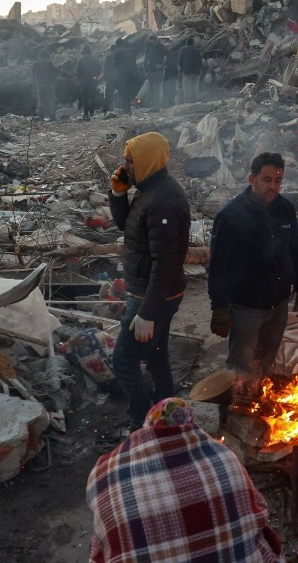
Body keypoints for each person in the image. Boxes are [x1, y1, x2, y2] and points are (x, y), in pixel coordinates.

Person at [86, 398, 283, 563]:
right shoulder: (225, 458)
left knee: (100, 538)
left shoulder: (104, 471)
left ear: (148, 429)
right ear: (190, 426)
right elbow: (259, 511)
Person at [208, 152, 298, 399]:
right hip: (247, 306)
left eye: (278, 180)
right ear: (252, 178)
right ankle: (232, 417)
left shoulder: (285, 209)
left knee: (266, 360)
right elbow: (217, 266)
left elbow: (295, 249)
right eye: (267, 179)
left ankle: (258, 407)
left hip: (279, 302)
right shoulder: (230, 216)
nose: (273, 186)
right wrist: (219, 308)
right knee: (241, 367)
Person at [108, 132, 190, 431]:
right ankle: (167, 412)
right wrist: (118, 195)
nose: (125, 166)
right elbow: (128, 227)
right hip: (153, 293)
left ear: (147, 161)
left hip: (152, 297)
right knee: (156, 356)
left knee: (124, 363)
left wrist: (147, 314)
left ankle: (142, 421)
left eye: (130, 161)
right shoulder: (150, 189)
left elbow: (165, 265)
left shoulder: (163, 201)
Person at [75, 45, 101, 120]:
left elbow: (78, 71)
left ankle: (86, 113)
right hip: (93, 80)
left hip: (84, 81)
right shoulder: (95, 59)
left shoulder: (81, 60)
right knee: (93, 96)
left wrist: (81, 79)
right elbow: (99, 69)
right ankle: (92, 113)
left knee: (85, 97)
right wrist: (96, 77)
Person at [32, 49, 58, 120]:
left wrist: (35, 84)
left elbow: (33, 74)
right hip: (49, 84)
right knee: (51, 101)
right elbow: (55, 71)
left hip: (39, 85)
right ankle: (52, 116)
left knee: (41, 101)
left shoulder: (35, 63)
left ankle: (41, 116)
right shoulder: (48, 62)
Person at [143, 35, 167, 110]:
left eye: (153, 40)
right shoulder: (148, 48)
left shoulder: (160, 47)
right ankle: (154, 106)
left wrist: (162, 65)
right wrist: (146, 71)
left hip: (158, 71)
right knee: (151, 90)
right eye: (150, 40)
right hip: (150, 71)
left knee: (157, 89)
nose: (152, 41)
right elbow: (145, 60)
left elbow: (169, 56)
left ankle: (157, 107)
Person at [178, 36, 202, 103]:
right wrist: (199, 70)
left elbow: (180, 61)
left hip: (187, 71)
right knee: (195, 88)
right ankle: (194, 103)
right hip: (196, 72)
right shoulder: (197, 50)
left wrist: (182, 69)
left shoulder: (183, 49)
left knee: (187, 88)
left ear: (186, 42)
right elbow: (200, 61)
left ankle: (188, 104)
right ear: (193, 43)